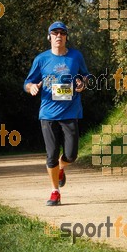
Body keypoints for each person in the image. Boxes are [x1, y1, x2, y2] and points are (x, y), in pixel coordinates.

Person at [24, 21, 89, 206]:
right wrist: (32, 88)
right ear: (49, 37)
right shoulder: (41, 59)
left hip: (70, 113)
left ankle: (61, 167)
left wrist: (83, 83)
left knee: (71, 155)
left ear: (66, 36)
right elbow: (27, 82)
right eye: (55, 33)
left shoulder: (76, 57)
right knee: (51, 155)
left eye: (62, 33)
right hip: (48, 114)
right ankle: (55, 192)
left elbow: (86, 75)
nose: (58, 36)